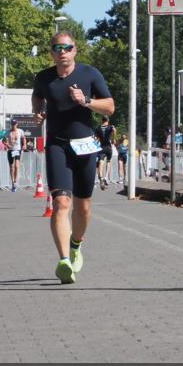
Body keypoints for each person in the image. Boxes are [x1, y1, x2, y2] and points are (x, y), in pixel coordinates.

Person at [32, 31, 114, 285]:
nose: (62, 52)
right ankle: (64, 261)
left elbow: (110, 106)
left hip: (85, 146)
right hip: (57, 145)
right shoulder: (44, 77)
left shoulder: (90, 74)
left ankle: (76, 244)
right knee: (61, 203)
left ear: (75, 50)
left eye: (67, 48)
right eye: (57, 48)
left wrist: (86, 101)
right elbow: (37, 96)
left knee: (83, 206)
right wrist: (38, 112)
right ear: (52, 52)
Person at [95, 116, 116, 190]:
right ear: (108, 120)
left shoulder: (98, 128)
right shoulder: (110, 126)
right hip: (108, 147)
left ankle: (100, 177)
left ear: (102, 120)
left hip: (101, 147)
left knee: (101, 161)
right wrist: (113, 139)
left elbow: (96, 138)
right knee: (109, 161)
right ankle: (106, 177)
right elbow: (114, 130)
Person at [7, 119, 25, 191]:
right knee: (11, 167)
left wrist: (24, 145)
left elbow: (24, 138)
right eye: (12, 124)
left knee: (17, 166)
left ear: (17, 124)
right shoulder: (8, 132)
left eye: (14, 124)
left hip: (17, 150)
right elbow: (3, 141)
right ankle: (12, 182)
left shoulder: (20, 131)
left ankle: (15, 182)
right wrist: (7, 145)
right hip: (11, 150)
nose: (13, 125)